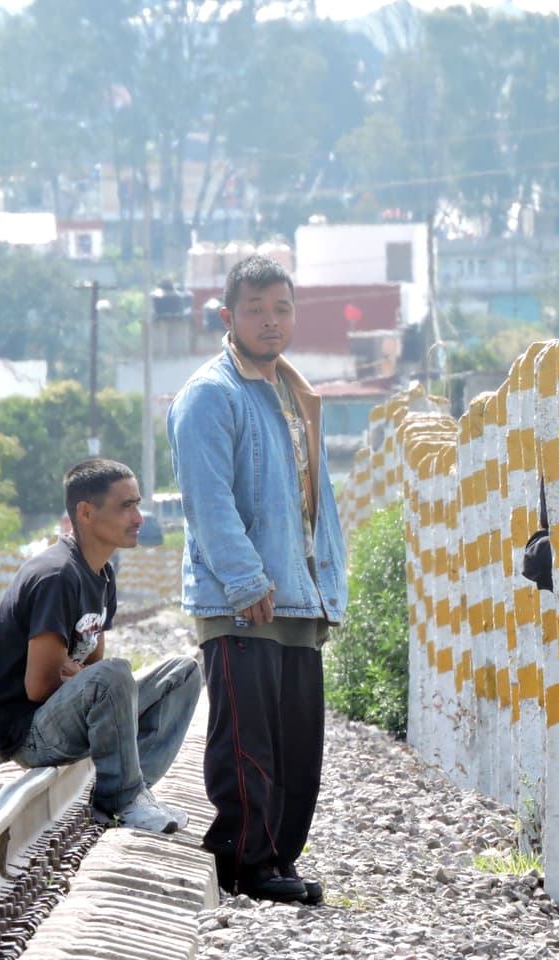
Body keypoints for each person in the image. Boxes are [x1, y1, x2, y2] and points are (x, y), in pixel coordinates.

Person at [167, 255, 348, 904]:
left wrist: (328, 585)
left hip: (298, 596)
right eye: (255, 310)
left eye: (281, 308)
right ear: (227, 318)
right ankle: (247, 864)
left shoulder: (294, 393)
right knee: (250, 743)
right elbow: (208, 503)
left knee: (299, 745)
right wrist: (246, 582)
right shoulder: (210, 396)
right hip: (242, 600)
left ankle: (279, 862)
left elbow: (310, 501)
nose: (270, 322)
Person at [0, 458, 200, 835]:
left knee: (183, 672)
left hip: (64, 714)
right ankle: (119, 800)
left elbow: (90, 665)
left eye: (137, 504)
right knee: (114, 674)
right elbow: (39, 687)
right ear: (86, 512)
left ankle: (133, 790)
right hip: (29, 733)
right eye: (126, 506)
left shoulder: (102, 573)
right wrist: (81, 675)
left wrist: (77, 671)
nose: (139, 518)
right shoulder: (56, 576)